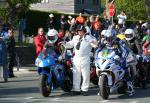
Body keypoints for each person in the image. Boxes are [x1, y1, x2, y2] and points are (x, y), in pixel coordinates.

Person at [96, 29, 134, 96]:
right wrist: (95, 56)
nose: (108, 39)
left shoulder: (119, 41)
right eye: (107, 38)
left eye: (110, 38)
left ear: (113, 37)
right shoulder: (104, 42)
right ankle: (102, 89)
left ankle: (130, 87)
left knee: (125, 69)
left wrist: (122, 57)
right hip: (108, 58)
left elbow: (125, 50)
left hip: (118, 58)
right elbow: (98, 50)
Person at [62, 25, 97, 96]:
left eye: (81, 31)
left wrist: (93, 42)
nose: (80, 32)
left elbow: (95, 45)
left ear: (84, 31)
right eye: (78, 31)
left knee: (85, 75)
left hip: (85, 58)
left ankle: (85, 89)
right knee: (76, 74)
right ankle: (76, 89)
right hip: (76, 58)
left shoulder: (89, 38)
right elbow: (70, 44)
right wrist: (64, 43)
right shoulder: (75, 38)